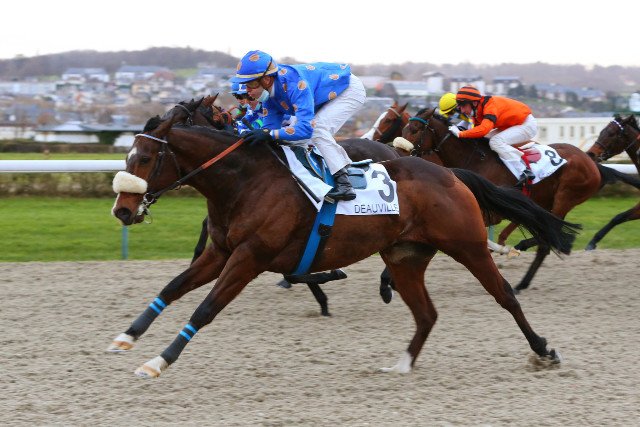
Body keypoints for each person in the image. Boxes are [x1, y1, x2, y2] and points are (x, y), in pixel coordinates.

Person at [230, 50, 367, 201]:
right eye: (245, 84)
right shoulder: (269, 99)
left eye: (251, 84)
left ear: (267, 80)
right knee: (288, 137)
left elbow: (305, 130)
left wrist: (269, 134)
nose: (247, 90)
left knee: (316, 129)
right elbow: (270, 132)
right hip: (323, 94)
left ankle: (344, 183)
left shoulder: (295, 84)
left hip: (347, 89)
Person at [448, 85, 537, 186]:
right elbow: (476, 133)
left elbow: (484, 129)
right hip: (514, 124)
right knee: (486, 140)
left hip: (526, 125)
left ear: (474, 103)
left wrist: (460, 134)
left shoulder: (490, 106)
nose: (462, 111)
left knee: (495, 142)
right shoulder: (477, 112)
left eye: (463, 106)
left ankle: (524, 170)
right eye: (460, 107)